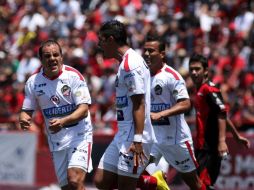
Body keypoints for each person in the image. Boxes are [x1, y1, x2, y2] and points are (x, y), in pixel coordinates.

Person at [19, 39, 93, 190]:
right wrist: (24, 119)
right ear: (41, 59)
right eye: (47, 56)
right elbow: (26, 111)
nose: (52, 59)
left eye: (55, 55)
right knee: (67, 187)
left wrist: (63, 121)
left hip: (79, 135)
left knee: (74, 180)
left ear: (61, 57)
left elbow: (83, 110)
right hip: (56, 141)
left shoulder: (73, 76)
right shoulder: (33, 82)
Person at [94, 20, 155, 190]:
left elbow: (139, 104)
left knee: (125, 187)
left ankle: (154, 184)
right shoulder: (124, 63)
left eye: (102, 40)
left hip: (134, 135)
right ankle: (153, 182)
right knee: (101, 181)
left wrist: (138, 140)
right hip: (122, 133)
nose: (100, 45)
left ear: (111, 39)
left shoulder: (130, 64)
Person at [142, 35, 205, 190]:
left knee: (194, 183)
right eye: (145, 51)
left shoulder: (172, 76)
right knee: (135, 172)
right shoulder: (143, 76)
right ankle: (158, 183)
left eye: (151, 51)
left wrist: (161, 114)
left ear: (162, 53)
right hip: (154, 138)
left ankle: (159, 182)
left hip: (176, 140)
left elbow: (185, 103)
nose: (147, 54)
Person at [188, 53, 250, 190]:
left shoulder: (209, 89)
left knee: (202, 185)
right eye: (191, 69)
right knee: (198, 184)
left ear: (205, 71)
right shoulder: (198, 89)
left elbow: (222, 113)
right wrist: (236, 136)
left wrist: (222, 141)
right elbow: (222, 115)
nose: (193, 72)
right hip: (201, 147)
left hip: (210, 148)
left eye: (197, 69)